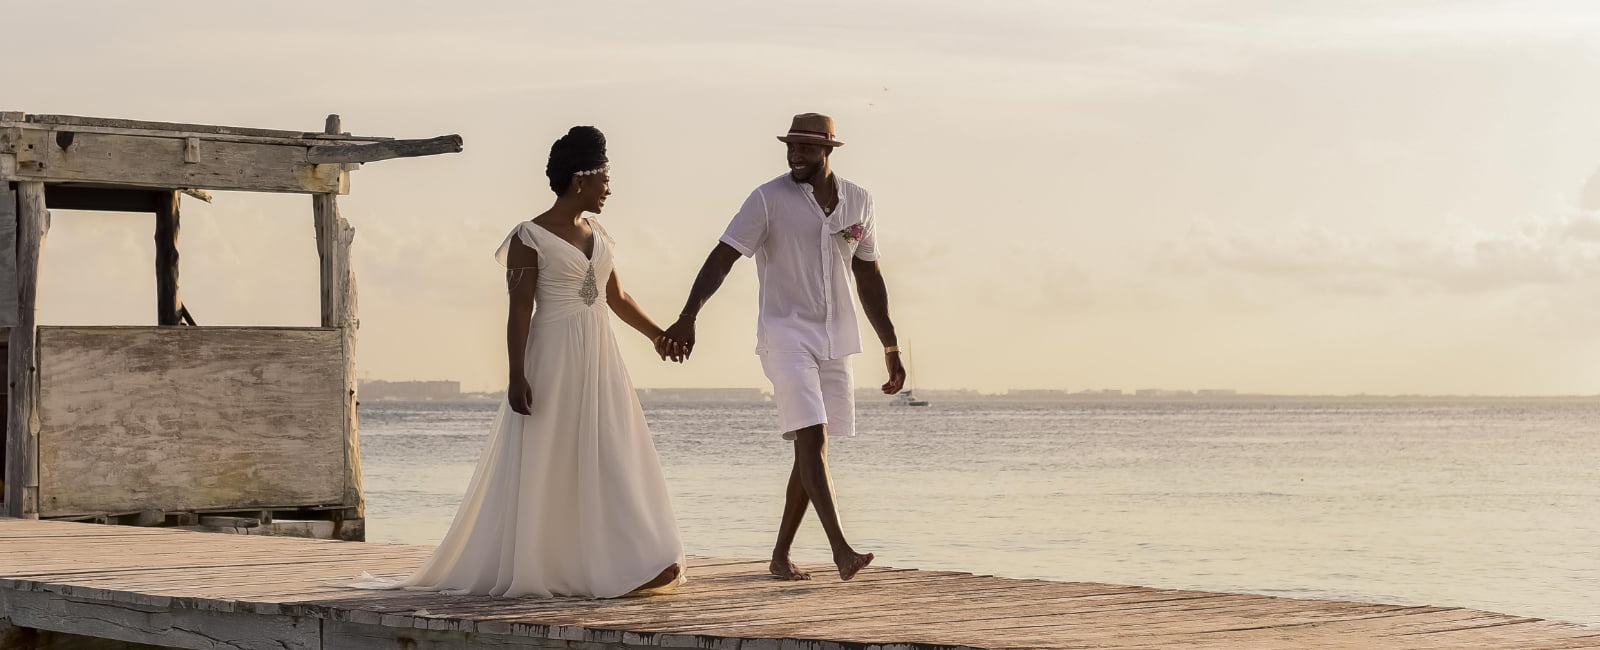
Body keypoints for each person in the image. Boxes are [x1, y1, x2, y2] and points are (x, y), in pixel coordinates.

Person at [354, 126, 685, 598]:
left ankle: (625, 560)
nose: (610, 188)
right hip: (553, 356)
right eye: (605, 178)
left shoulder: (601, 234)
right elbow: (519, 310)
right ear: (581, 179)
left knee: (611, 450)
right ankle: (562, 567)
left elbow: (617, 296)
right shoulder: (528, 237)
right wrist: (516, 375)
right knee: (554, 456)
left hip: (600, 358)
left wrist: (658, 335)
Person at [659, 113, 905, 581]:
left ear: (828, 151)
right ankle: (841, 550)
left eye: (807, 148)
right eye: (791, 147)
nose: (796, 155)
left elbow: (869, 274)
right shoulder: (767, 199)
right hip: (784, 335)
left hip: (837, 339)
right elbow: (723, 256)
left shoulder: (860, 201)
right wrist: (689, 316)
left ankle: (779, 556)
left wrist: (890, 346)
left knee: (813, 447)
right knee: (810, 435)